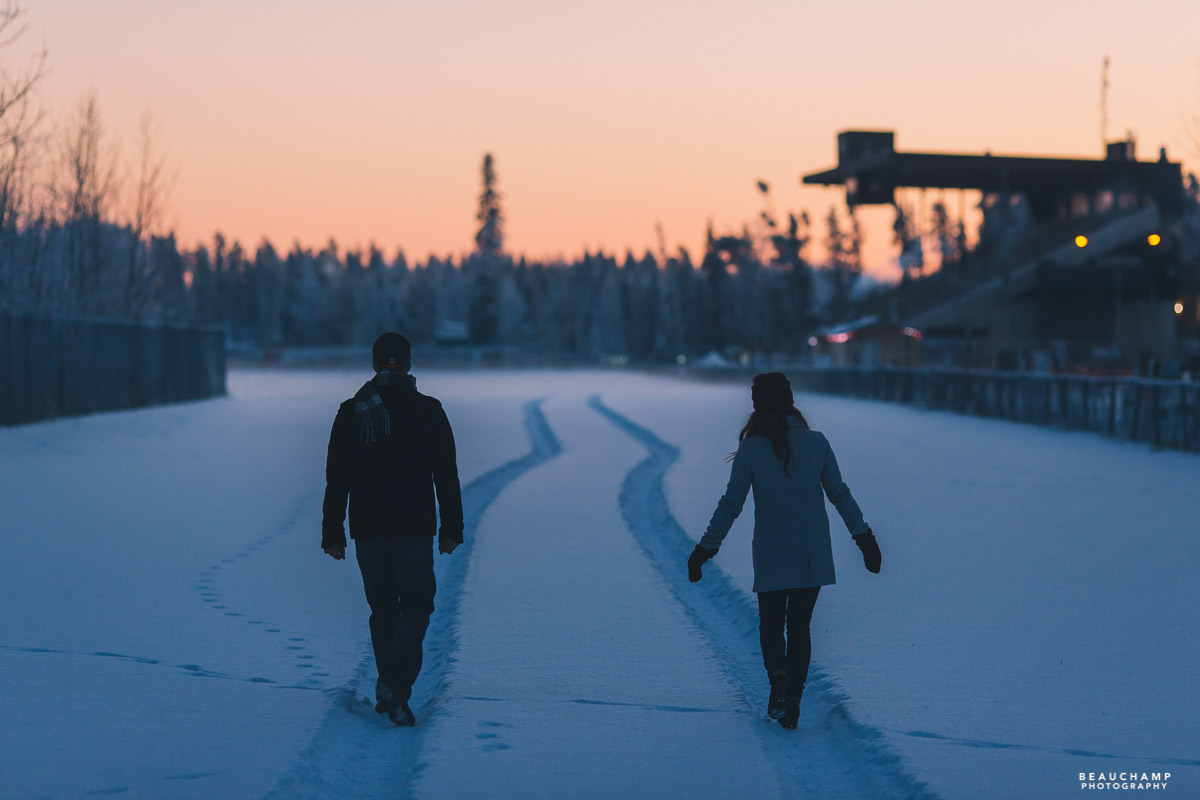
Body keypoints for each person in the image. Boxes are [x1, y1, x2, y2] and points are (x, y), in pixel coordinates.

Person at [687, 372, 881, 730]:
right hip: (811, 551)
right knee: (801, 626)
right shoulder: (817, 443)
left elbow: (732, 504)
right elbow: (840, 494)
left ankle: (778, 677)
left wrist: (705, 549)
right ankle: (793, 699)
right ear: (791, 401)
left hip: (772, 551)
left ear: (757, 405)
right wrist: (864, 537)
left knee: (772, 624)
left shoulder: (752, 448)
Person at [321, 332, 464, 727]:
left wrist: (332, 532)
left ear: (374, 363)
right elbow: (446, 475)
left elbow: (337, 479)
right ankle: (395, 687)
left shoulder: (352, 412)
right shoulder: (429, 411)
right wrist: (451, 527)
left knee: (383, 608)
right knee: (416, 606)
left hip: (368, 532)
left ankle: (390, 687)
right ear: (409, 362)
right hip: (413, 530)